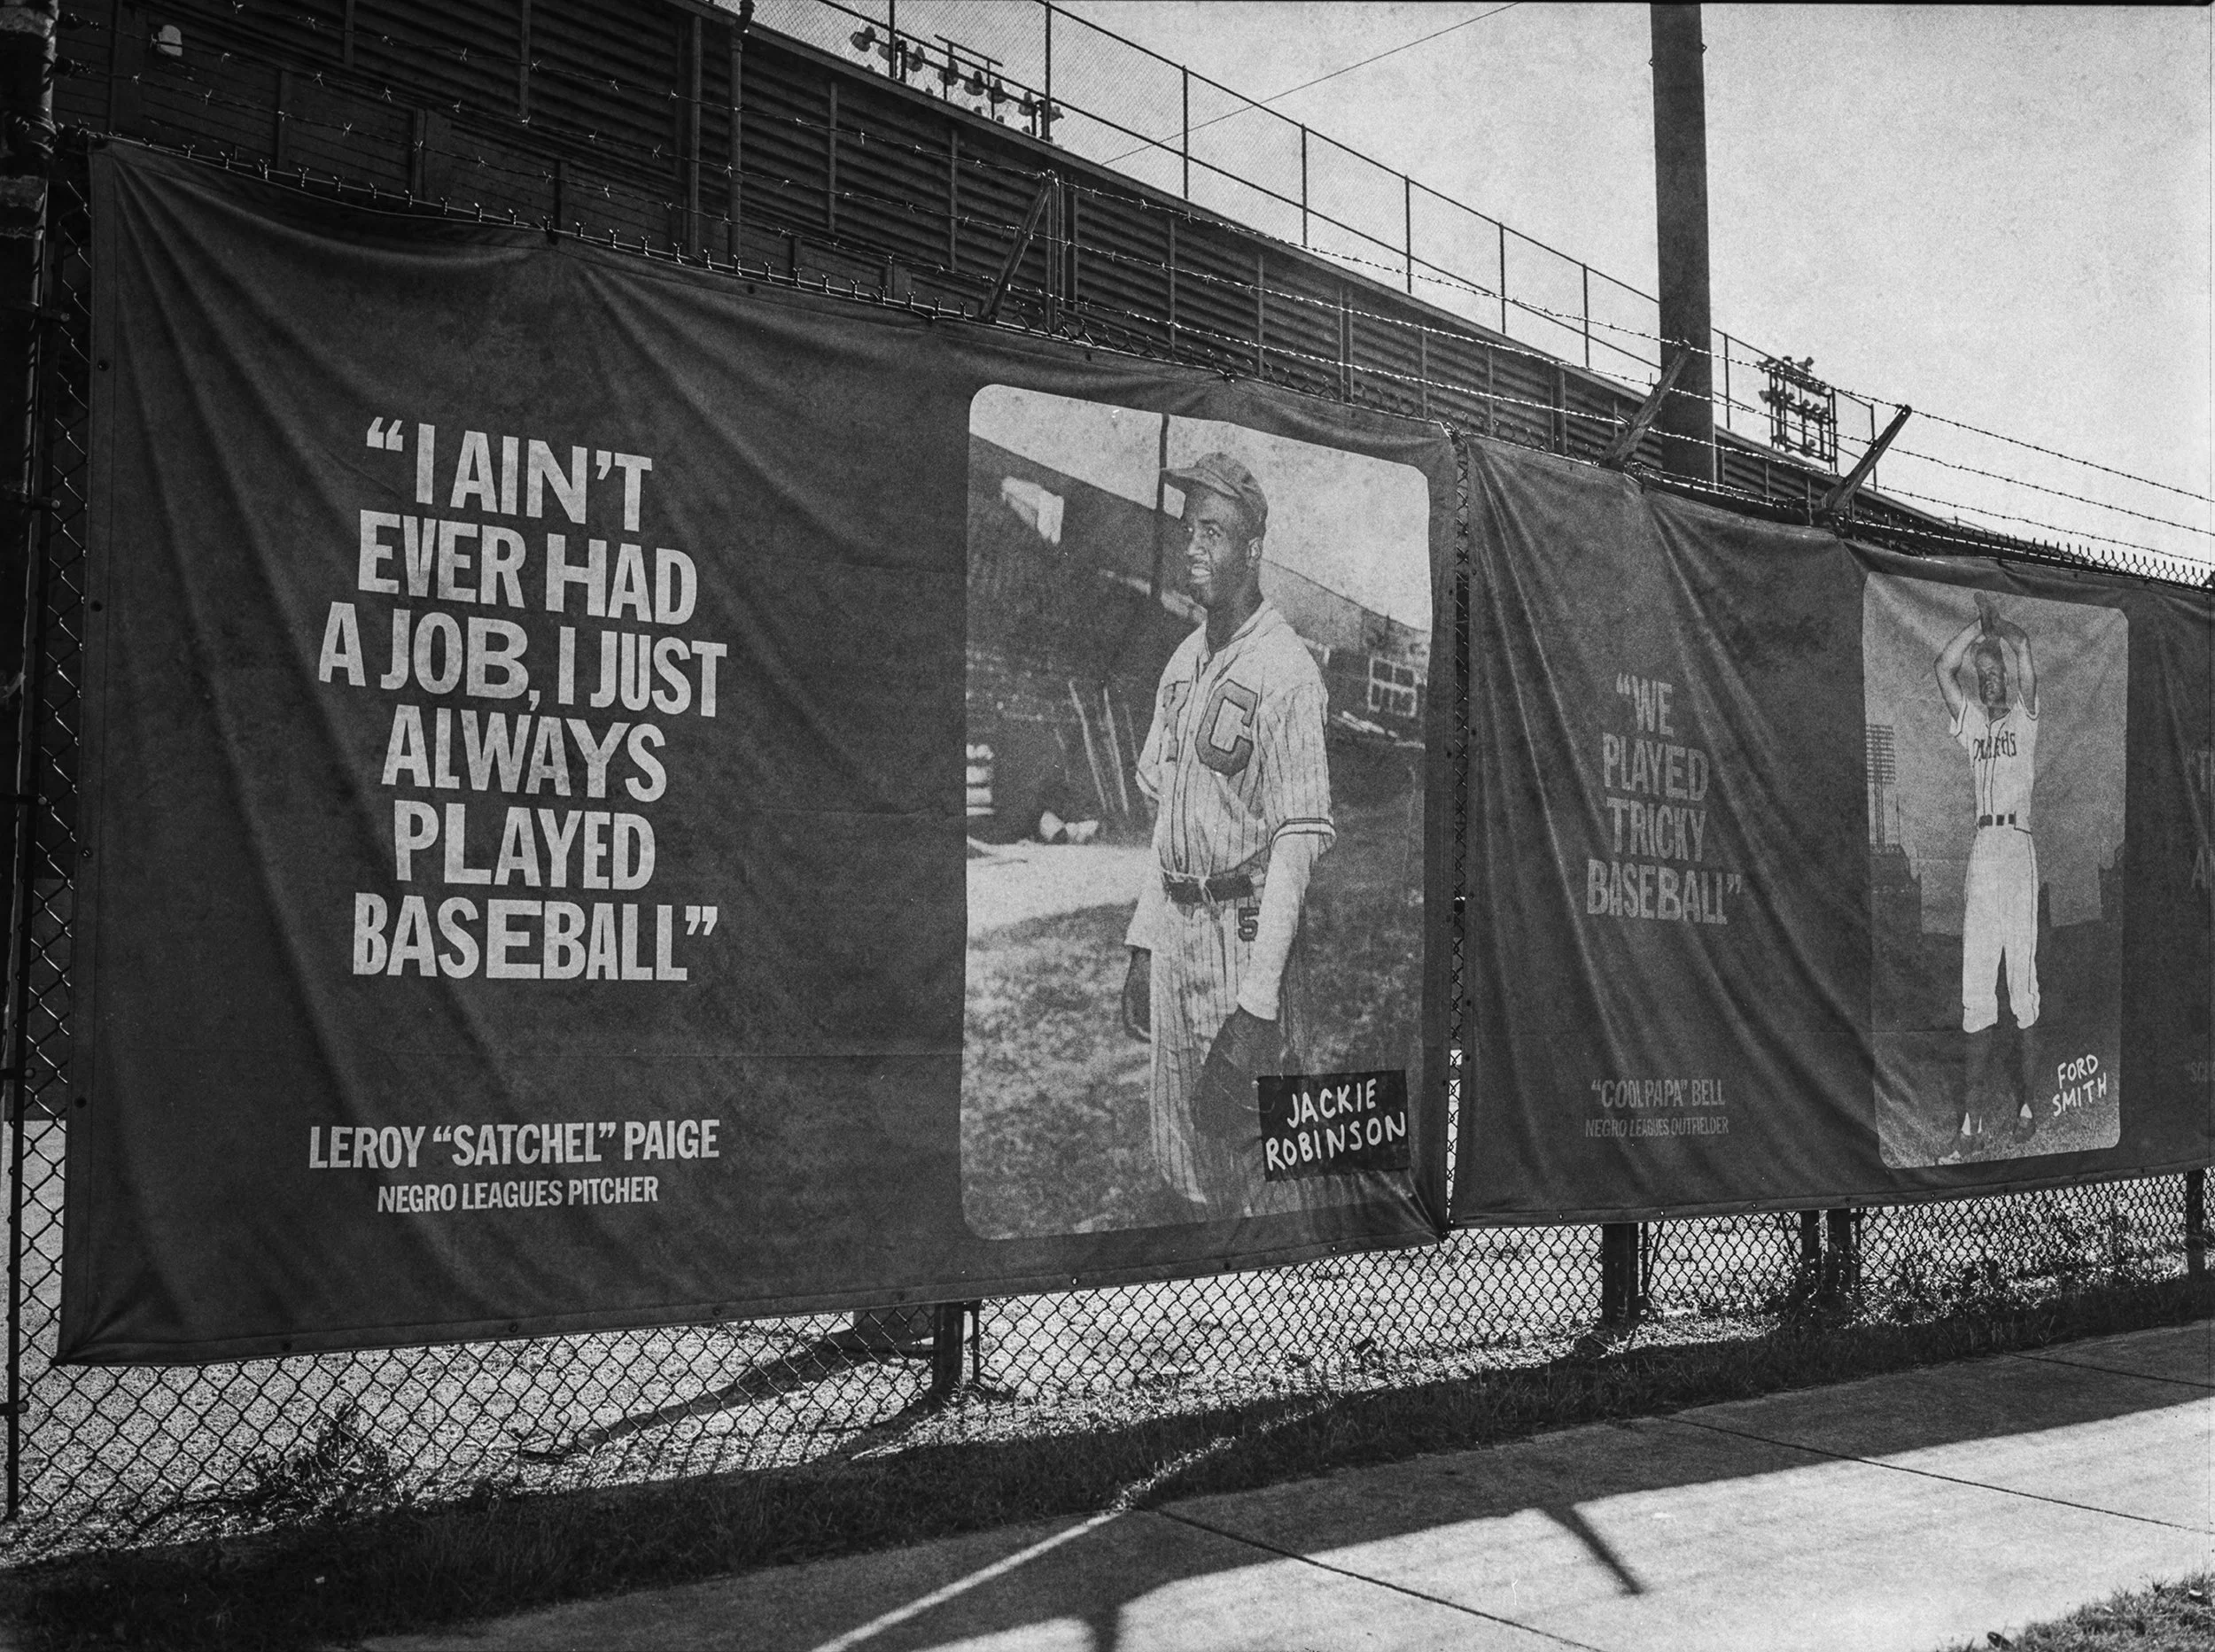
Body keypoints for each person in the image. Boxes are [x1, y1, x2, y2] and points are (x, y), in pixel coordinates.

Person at [1120, 453, 1335, 1215]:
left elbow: (1297, 846)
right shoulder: (1182, 663)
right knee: (1180, 1154)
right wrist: (1144, 940)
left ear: (1252, 549)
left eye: (1213, 531)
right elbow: (1165, 818)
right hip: (1178, 933)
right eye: (1188, 530)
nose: (1193, 546)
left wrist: (1258, 1005)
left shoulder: (1288, 671)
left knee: (1253, 1163)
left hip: (1240, 933)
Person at [1932, 593, 2041, 1161]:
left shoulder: (2024, 718)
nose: (1990, 681)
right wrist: (1977, 628)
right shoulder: (1974, 725)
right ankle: (1971, 1122)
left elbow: (2022, 646)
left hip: (2018, 848)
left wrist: (2000, 631)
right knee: (1977, 988)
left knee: (2021, 987)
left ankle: (2027, 1105)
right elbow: (1941, 668)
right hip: (1983, 849)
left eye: (1996, 673)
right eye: (1986, 674)